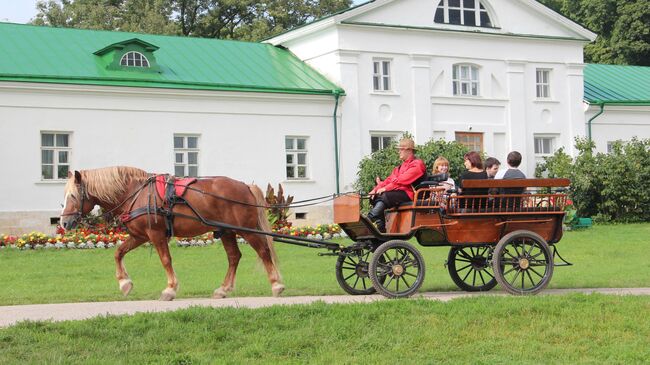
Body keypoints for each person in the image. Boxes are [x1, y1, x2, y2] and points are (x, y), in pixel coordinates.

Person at [367, 138, 426, 232]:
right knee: (373, 196)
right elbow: (389, 180)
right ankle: (380, 229)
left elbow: (403, 180)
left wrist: (386, 188)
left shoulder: (417, 164)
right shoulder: (399, 167)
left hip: (413, 194)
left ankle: (370, 218)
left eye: (401, 149)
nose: (399, 151)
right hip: (401, 193)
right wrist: (375, 190)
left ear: (409, 150)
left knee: (385, 195)